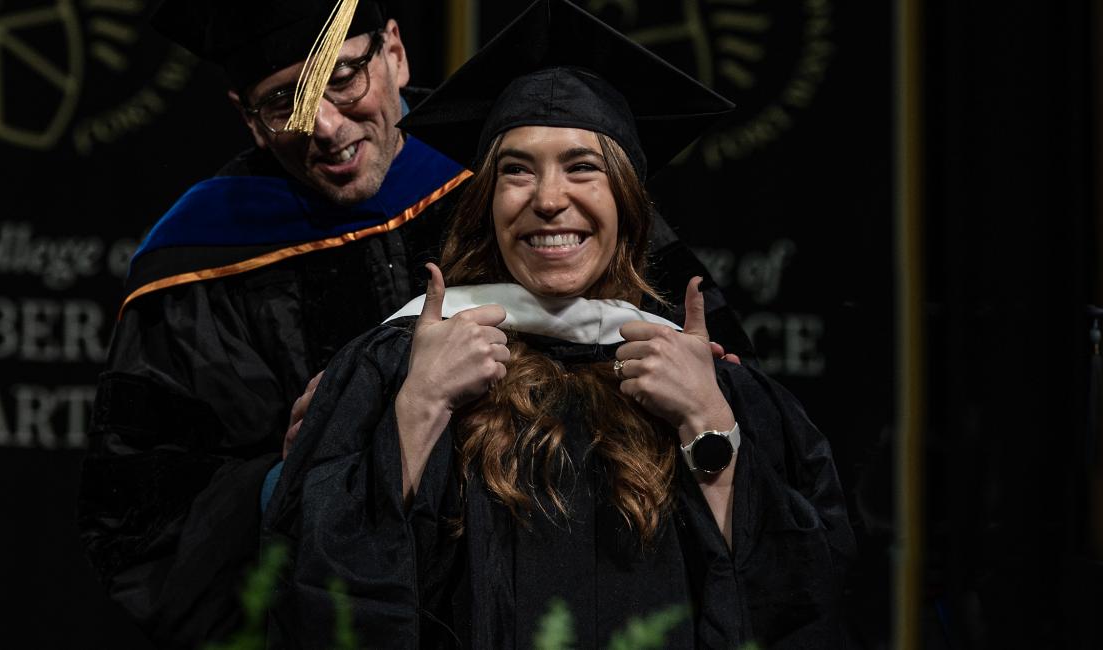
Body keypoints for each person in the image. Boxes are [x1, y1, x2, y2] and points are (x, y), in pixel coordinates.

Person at [77, 0, 753, 648]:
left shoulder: (522, 184)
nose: (326, 125)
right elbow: (142, 530)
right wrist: (304, 475)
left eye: (342, 76)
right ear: (248, 119)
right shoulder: (199, 263)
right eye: (285, 101)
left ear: (395, 53)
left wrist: (705, 409)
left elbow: (720, 408)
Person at [261, 1, 853, 648]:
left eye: (582, 166)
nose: (547, 199)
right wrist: (418, 411)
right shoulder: (397, 369)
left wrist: (709, 429)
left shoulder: (715, 385)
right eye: (516, 170)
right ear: (487, 204)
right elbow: (315, 603)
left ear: (627, 205)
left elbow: (803, 606)